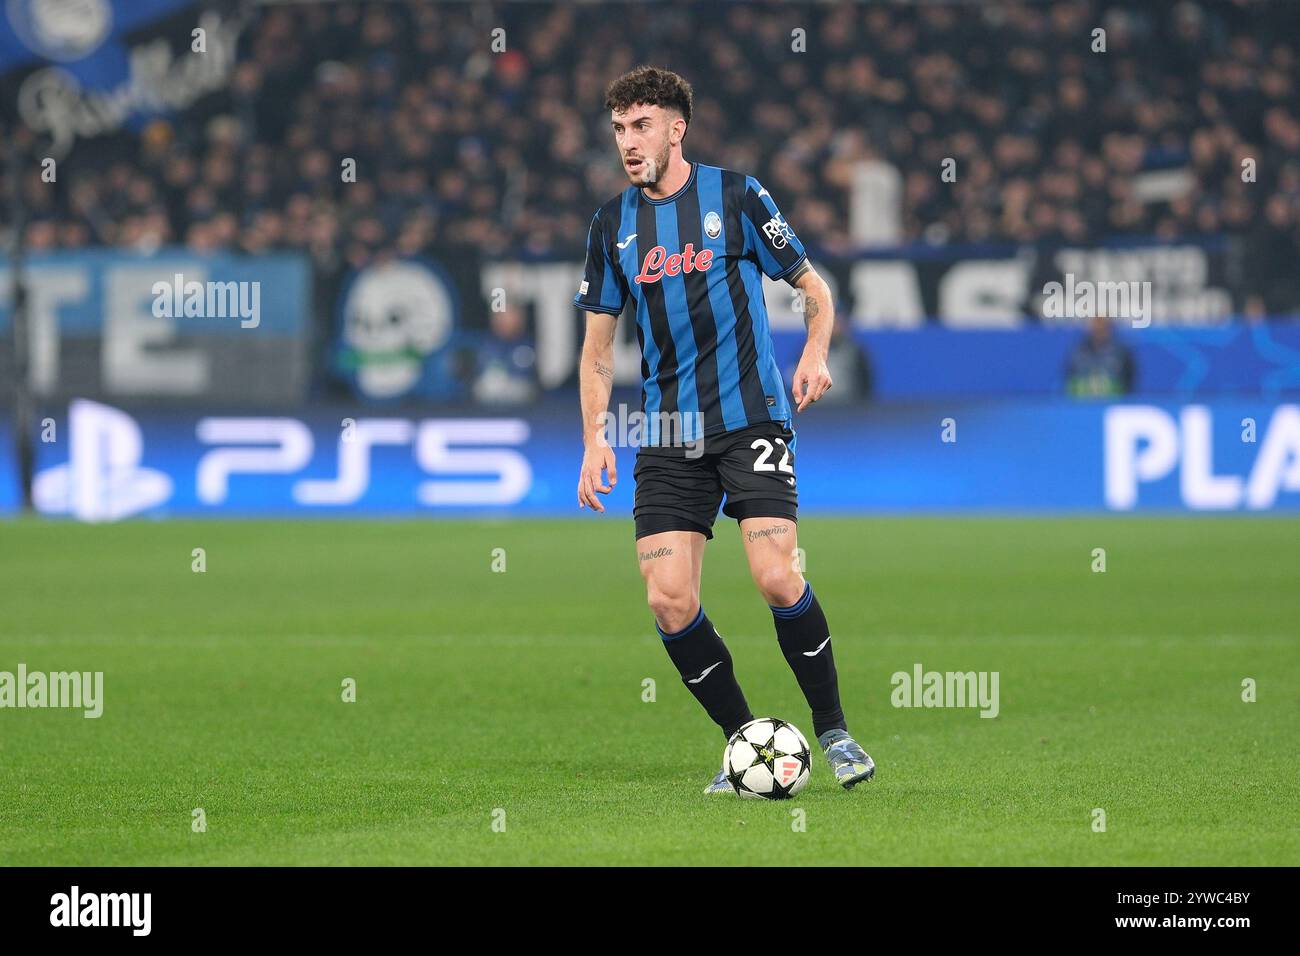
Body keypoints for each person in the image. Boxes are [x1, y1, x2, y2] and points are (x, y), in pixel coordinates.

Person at [573, 66, 874, 795]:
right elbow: (597, 348)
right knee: (667, 598)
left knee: (776, 576)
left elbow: (815, 290)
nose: (628, 142)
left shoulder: (738, 196)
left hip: (750, 419)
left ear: (677, 128)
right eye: (619, 129)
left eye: (641, 126)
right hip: (670, 432)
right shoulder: (613, 225)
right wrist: (593, 438)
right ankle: (744, 742)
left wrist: (814, 353)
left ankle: (833, 731)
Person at [1065, 315, 1135, 397]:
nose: (1099, 328)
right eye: (1096, 324)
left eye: (1102, 325)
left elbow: (1129, 385)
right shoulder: (1078, 352)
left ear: (1109, 327)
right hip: (1083, 405)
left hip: (1113, 404)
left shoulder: (1121, 353)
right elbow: (1070, 382)